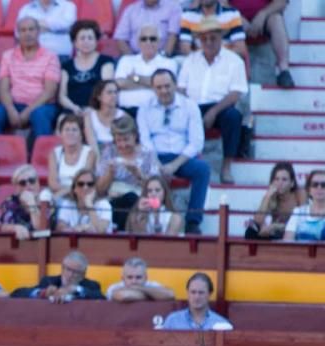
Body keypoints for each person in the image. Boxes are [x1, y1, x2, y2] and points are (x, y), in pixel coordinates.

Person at [136, 68, 208, 234]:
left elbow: (196, 142)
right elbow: (145, 141)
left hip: (181, 157)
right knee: (144, 169)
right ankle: (145, 219)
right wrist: (156, 163)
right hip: (155, 155)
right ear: (153, 88)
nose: (164, 91)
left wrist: (174, 166)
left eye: (167, 86)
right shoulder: (144, 108)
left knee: (203, 169)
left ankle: (193, 221)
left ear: (175, 85)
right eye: (159, 87)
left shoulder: (190, 106)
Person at [178, 18, 247, 185]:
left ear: (221, 37)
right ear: (199, 40)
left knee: (233, 116)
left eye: (213, 38)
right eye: (204, 38)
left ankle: (226, 167)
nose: (208, 42)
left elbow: (236, 93)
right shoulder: (190, 60)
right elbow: (180, 89)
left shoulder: (234, 60)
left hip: (220, 106)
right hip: (192, 105)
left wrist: (214, 111)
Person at [0, 17, 60, 147]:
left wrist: (27, 112)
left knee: (40, 115)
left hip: (42, 105)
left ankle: (41, 159)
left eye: (31, 29)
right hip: (15, 104)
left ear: (38, 32)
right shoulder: (8, 55)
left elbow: (49, 92)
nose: (27, 34)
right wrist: (11, 109)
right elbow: (4, 88)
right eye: (23, 30)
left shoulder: (50, 56)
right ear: (18, 34)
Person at [95, 115, 161, 231]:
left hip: (139, 198)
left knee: (131, 198)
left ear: (135, 136)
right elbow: (99, 189)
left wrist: (137, 173)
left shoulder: (147, 154)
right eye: (119, 140)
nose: (123, 145)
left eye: (126, 139)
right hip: (112, 199)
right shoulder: (109, 152)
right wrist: (110, 174)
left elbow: (156, 188)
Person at [114, 24, 178, 117]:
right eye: (144, 39)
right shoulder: (126, 60)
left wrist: (136, 78)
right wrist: (153, 85)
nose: (148, 42)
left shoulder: (169, 63)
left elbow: (165, 86)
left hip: (156, 112)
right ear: (138, 42)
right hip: (126, 111)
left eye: (152, 39)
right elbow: (119, 83)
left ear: (159, 42)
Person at [59, 20, 114, 116]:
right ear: (75, 42)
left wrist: (93, 109)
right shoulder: (66, 66)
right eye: (82, 38)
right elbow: (62, 96)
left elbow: (107, 90)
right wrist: (74, 108)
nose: (86, 42)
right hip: (72, 110)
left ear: (96, 41)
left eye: (90, 38)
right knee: (63, 120)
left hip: (98, 110)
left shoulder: (105, 62)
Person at [237, 0, 294, 88]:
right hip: (235, 22)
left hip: (264, 22)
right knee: (225, 18)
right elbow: (222, 3)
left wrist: (263, 14)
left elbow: (281, 2)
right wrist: (237, 17)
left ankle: (284, 70)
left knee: (276, 19)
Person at [11, 250, 104, 301]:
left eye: (75, 272)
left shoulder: (92, 285)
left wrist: (76, 289)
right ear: (62, 268)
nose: (70, 275)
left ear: (83, 274)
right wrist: (42, 292)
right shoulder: (48, 281)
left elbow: (102, 298)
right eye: (67, 269)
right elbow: (16, 293)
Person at [245, 162, 305, 240]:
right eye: (277, 179)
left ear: (292, 183)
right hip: (277, 233)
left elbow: (303, 223)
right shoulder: (271, 196)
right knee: (251, 231)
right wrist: (267, 197)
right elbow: (258, 221)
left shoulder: (300, 194)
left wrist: (275, 226)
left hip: (295, 233)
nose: (280, 183)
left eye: (284, 180)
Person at [47, 114, 95, 200]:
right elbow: (52, 184)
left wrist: (65, 192)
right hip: (59, 194)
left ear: (81, 134)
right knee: (44, 195)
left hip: (82, 196)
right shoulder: (55, 153)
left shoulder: (89, 153)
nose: (70, 133)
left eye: (74, 130)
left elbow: (85, 182)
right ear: (61, 134)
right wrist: (66, 190)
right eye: (67, 130)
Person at [0, 164, 48, 240]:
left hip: (44, 245)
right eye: (22, 183)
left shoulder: (47, 200)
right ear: (16, 187)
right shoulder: (10, 202)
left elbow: (41, 229)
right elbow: (3, 226)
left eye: (32, 181)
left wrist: (31, 203)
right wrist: (15, 228)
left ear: (38, 182)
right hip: (19, 245)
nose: (28, 185)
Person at [161, 272, 231, 330]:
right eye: (193, 292)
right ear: (187, 293)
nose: (197, 297)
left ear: (210, 294)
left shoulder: (222, 324)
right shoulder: (172, 321)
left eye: (201, 292)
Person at [179, 0, 247, 59]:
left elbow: (240, 49)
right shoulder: (187, 15)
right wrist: (204, 60)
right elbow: (185, 49)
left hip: (226, 62)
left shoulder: (233, 14)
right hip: (197, 63)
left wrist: (215, 58)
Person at [55, 167, 113, 233]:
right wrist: (78, 229)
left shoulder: (104, 205)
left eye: (90, 184)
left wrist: (89, 205)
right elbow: (60, 229)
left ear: (95, 188)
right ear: (74, 189)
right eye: (81, 184)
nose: (85, 187)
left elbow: (101, 231)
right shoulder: (67, 204)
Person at [113, 0, 181, 56]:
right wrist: (132, 59)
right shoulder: (131, 10)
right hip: (135, 56)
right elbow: (120, 39)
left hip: (161, 56)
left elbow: (173, 37)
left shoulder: (173, 8)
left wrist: (164, 58)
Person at [106, 256, 175, 301]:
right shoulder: (114, 287)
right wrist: (153, 296)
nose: (134, 281)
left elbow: (170, 294)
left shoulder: (152, 285)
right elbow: (124, 296)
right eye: (130, 277)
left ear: (146, 278)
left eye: (138, 277)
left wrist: (138, 288)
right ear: (122, 278)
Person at [83, 80, 127, 151]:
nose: (114, 96)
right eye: (109, 92)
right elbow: (91, 142)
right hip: (96, 153)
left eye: (116, 92)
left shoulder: (123, 116)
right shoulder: (90, 116)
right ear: (99, 96)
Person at [284, 169, 325, 242]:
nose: (319, 188)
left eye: (324, 185)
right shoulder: (298, 212)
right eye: (315, 185)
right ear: (309, 189)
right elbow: (288, 242)